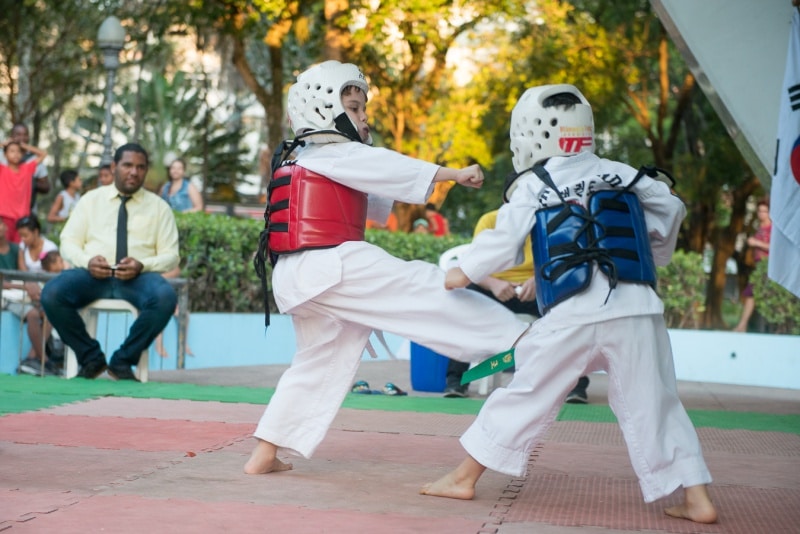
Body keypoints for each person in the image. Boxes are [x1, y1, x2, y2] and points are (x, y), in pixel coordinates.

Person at [420, 84, 717, 525]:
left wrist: (461, 272)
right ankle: (696, 496)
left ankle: (464, 477)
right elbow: (671, 209)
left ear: (534, 132)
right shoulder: (625, 174)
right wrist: (655, 256)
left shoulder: (535, 183)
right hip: (637, 306)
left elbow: (502, 243)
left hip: (574, 312)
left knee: (527, 393)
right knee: (657, 403)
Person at [244, 60, 530, 476]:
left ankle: (265, 453)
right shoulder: (333, 151)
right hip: (332, 263)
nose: (362, 117)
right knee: (426, 287)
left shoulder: (303, 157)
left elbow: (375, 202)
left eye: (363, 109)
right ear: (324, 108)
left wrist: (366, 140)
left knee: (317, 363)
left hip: (299, 277)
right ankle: (518, 338)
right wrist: (453, 173)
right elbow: (392, 169)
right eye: (355, 108)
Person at [41, 143, 180, 382]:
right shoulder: (90, 201)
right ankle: (91, 358)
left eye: (140, 167)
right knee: (52, 294)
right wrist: (87, 261)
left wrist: (142, 264)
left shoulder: (159, 207)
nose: (134, 172)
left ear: (146, 171)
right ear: (114, 167)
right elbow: (68, 242)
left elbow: (171, 255)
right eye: (127, 165)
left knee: (166, 297)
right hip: (92, 275)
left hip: (138, 278)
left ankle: (123, 361)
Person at [13, 215, 59, 375]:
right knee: (37, 314)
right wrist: (30, 287)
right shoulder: (22, 247)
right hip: (27, 290)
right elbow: (23, 272)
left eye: (26, 235)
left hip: (46, 289)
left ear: (36, 232)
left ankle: (32, 357)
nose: (23, 239)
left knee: (48, 315)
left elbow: (54, 272)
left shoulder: (49, 247)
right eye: (21, 236)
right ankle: (41, 360)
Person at [733, 199, 771, 332]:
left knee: (752, 295)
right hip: (758, 267)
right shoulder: (759, 228)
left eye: (765, 211)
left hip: (768, 267)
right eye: (760, 211)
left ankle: (742, 326)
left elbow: (776, 249)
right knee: (753, 295)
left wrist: (756, 243)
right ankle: (745, 326)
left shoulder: (772, 229)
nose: (761, 214)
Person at [0, 140, 47, 243]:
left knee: (19, 246)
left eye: (18, 151)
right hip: (4, 216)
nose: (15, 154)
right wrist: (3, 144)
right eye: (12, 151)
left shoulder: (27, 169)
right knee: (4, 245)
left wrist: (25, 146)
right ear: (5, 154)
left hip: (22, 217)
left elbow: (43, 154)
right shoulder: (2, 169)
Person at [0, 123, 50, 212]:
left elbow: (46, 187)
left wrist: (27, 181)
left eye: (25, 135)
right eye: (18, 135)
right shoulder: (2, 161)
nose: (21, 138)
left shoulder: (29, 165)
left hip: (25, 210)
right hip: (4, 209)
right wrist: (5, 144)